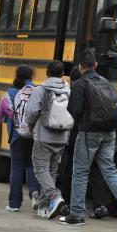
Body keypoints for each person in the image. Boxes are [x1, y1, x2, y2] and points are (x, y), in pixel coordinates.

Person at [60, 51, 117, 228]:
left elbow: (74, 110)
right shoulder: (107, 83)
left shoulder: (80, 84)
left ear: (80, 67)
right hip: (109, 133)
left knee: (80, 172)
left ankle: (77, 214)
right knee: (110, 171)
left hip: (89, 133)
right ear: (95, 65)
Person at [59, 66, 114, 219]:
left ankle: (70, 204)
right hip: (100, 132)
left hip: (81, 133)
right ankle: (100, 205)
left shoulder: (78, 88)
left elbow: (73, 111)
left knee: (73, 169)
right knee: (97, 170)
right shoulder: (100, 87)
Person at [25, 60, 71, 219]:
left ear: (47, 72)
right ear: (63, 73)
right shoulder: (68, 90)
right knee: (51, 171)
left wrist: (31, 128)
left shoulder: (40, 90)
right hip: (62, 136)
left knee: (40, 169)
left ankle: (55, 196)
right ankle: (44, 207)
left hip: (44, 135)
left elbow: (31, 112)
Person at [0, 65, 40, 212]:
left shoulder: (9, 94)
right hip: (34, 135)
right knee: (31, 165)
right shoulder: (37, 91)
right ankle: (35, 193)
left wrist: (8, 119)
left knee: (16, 168)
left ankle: (14, 204)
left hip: (16, 136)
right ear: (31, 76)